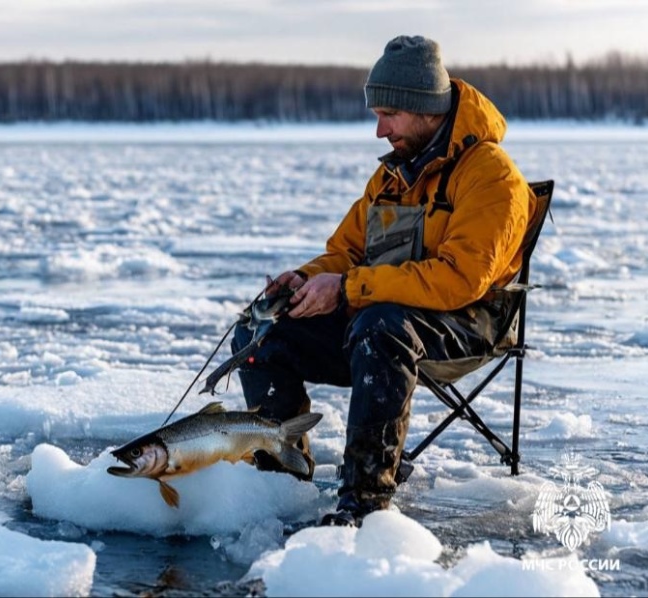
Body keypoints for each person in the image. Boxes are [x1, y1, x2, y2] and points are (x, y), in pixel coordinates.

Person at [231, 34, 539, 527]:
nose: (379, 131)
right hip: (385, 313)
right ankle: (280, 478)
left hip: (470, 323)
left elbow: (462, 280)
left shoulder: (492, 176)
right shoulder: (393, 175)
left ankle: (364, 504)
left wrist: (349, 289)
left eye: (388, 115)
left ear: (424, 108)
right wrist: (305, 279)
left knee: (381, 326)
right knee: (260, 328)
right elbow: (346, 251)